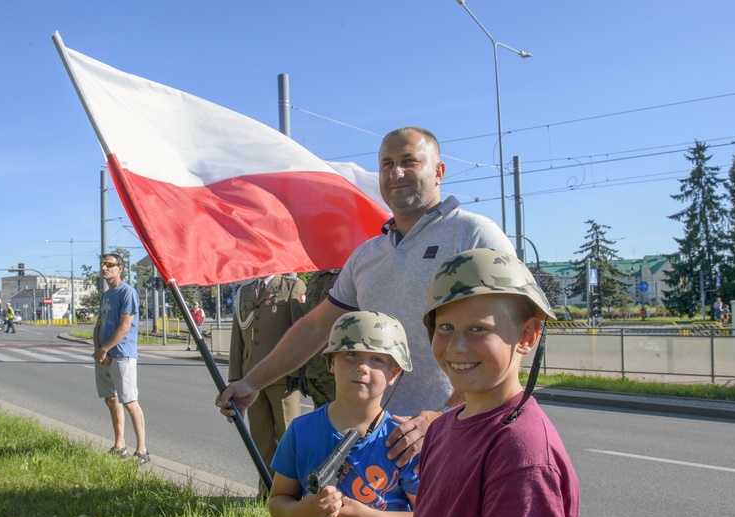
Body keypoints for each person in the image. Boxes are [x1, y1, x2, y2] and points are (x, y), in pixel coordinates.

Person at [218, 126, 514, 467]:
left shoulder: (473, 234)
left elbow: (511, 335)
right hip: (381, 444)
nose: (396, 172)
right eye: (386, 164)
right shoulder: (367, 255)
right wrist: (253, 382)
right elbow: (316, 328)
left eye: (409, 161)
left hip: (459, 437)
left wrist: (443, 417)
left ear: (438, 171)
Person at [387, 249, 580, 517]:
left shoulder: (520, 452)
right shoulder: (444, 428)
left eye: (479, 329)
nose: (457, 346)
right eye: (445, 327)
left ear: (527, 336)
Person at [269, 311, 419, 517]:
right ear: (331, 362)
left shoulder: (404, 440)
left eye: (377, 359)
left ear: (394, 374)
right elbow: (278, 502)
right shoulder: (302, 431)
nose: (362, 367)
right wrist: (304, 512)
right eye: (350, 354)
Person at [229, 274, 307, 483]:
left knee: (289, 438)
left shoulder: (291, 286)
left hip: (282, 377)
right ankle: (266, 492)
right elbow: (238, 338)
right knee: (261, 439)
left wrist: (296, 373)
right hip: (250, 378)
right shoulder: (244, 292)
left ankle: (292, 494)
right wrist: (235, 377)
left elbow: (301, 334)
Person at [93, 254, 149, 463]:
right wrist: (98, 350)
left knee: (129, 402)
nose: (104, 268)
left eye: (109, 264)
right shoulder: (105, 296)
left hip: (122, 354)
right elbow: (98, 325)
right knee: (110, 399)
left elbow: (125, 326)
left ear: (120, 268)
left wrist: (105, 348)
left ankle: (142, 450)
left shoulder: (128, 292)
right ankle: (120, 445)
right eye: (102, 264)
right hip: (104, 356)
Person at [301, 269, 341, 407]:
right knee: (320, 423)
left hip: (337, 369)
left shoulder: (348, 273)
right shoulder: (315, 277)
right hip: (313, 369)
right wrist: (302, 368)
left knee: (345, 424)